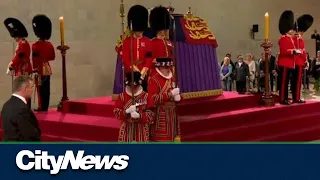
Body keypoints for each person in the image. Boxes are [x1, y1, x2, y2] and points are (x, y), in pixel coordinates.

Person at [113, 72, 154, 142]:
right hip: (126, 130)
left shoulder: (146, 96)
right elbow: (116, 112)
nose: (133, 89)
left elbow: (151, 114)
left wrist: (140, 116)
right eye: (131, 87)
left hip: (142, 130)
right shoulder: (122, 96)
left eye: (135, 87)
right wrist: (126, 112)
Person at [148, 57, 181, 142]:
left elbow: (176, 92)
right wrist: (170, 94)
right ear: (159, 68)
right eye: (166, 67)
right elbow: (153, 99)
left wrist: (179, 97)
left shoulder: (172, 78)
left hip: (173, 115)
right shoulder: (154, 80)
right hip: (161, 114)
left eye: (169, 67)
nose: (168, 69)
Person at [122, 5, 153, 91]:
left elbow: (149, 57)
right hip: (130, 74)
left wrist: (144, 70)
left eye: (140, 30)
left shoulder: (148, 42)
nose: (139, 32)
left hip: (144, 74)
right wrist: (135, 69)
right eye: (137, 30)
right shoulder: (127, 41)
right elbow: (126, 58)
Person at [1, 76, 41, 141]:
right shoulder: (22, 109)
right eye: (31, 87)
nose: (32, 90)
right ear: (25, 88)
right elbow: (30, 135)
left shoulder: (6, 105)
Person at [4, 18, 32, 108]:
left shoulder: (23, 43)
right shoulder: (21, 43)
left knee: (23, 88)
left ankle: (25, 107)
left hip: (23, 69)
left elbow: (19, 56)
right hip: (22, 68)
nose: (14, 38)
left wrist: (11, 64)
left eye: (15, 36)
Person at [32, 15, 56, 111]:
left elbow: (34, 59)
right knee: (47, 88)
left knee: (40, 89)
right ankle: (45, 106)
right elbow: (52, 57)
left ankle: (41, 106)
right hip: (47, 68)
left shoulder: (35, 45)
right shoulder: (49, 45)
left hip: (39, 69)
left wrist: (35, 69)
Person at [277, 10, 299, 105]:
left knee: (287, 83)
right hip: (284, 63)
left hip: (290, 63)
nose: (292, 30)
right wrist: (293, 51)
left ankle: (285, 98)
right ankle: (282, 99)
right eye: (290, 28)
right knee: (283, 83)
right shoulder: (283, 38)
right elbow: (283, 51)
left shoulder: (290, 38)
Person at [292, 14, 313, 103]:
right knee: (298, 82)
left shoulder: (293, 38)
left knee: (295, 81)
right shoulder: (299, 39)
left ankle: (295, 97)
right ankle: (296, 98)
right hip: (299, 62)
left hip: (294, 62)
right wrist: (306, 61)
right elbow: (302, 51)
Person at [149, 6, 173, 77]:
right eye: (161, 30)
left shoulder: (169, 42)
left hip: (169, 74)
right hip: (157, 75)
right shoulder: (151, 43)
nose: (163, 32)